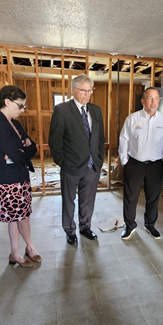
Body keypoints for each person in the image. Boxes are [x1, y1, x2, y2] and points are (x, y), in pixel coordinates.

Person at [0, 85, 41, 267]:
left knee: (24, 215)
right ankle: (15, 253)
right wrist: (22, 148)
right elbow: (19, 154)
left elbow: (32, 147)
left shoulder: (16, 124)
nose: (22, 110)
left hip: (20, 175)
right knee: (13, 218)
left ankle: (30, 247)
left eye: (23, 106)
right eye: (20, 105)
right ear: (7, 102)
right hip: (7, 180)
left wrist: (23, 148)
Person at [48, 75, 105, 245]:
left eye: (89, 91)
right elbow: (55, 140)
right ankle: (70, 230)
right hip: (71, 166)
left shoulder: (96, 110)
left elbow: (100, 137)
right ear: (74, 90)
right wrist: (63, 162)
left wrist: (99, 159)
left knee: (88, 199)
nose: (87, 94)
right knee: (68, 200)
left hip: (92, 166)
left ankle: (85, 227)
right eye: (83, 91)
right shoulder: (62, 110)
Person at [119, 86, 163, 240]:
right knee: (131, 197)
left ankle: (150, 225)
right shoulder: (132, 119)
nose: (153, 101)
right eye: (150, 98)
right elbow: (124, 139)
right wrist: (124, 160)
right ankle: (129, 226)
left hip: (156, 165)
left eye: (156, 98)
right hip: (135, 164)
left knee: (153, 197)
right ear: (143, 101)